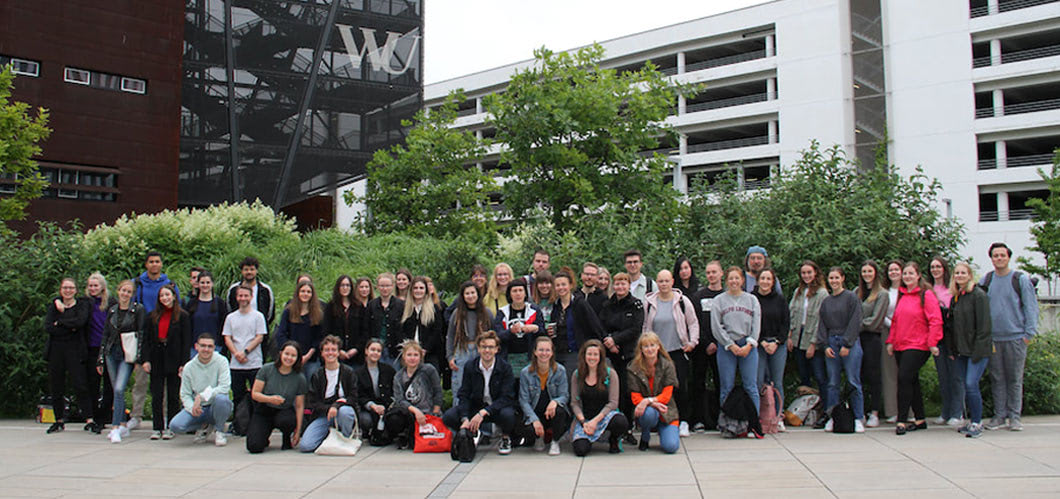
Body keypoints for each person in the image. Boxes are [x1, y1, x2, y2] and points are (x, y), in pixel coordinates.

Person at [981, 242, 1039, 432]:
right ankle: (999, 415)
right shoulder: (987, 280)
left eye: (1002, 255)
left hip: (1016, 337)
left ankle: (1014, 416)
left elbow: (1030, 307)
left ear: (1008, 257)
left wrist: (1028, 334)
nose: (999, 258)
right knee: (997, 378)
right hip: (994, 339)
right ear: (991, 258)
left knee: (1014, 378)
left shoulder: (1019, 279)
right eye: (995, 255)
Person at [887, 262, 943, 435]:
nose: (907, 277)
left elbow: (935, 320)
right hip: (900, 345)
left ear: (918, 275)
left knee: (904, 378)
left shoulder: (926, 295)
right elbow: (895, 321)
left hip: (918, 345)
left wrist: (933, 342)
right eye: (905, 274)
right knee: (911, 380)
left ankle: (902, 420)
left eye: (911, 273)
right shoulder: (902, 295)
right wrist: (891, 341)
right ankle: (920, 419)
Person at [642, 269, 699, 437]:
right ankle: (660, 421)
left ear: (672, 282)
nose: (664, 284)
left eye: (666, 281)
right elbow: (645, 326)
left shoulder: (682, 301)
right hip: (656, 353)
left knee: (680, 387)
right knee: (657, 388)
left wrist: (692, 342)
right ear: (657, 283)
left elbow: (693, 323)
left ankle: (683, 421)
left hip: (678, 351)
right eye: (660, 281)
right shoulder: (649, 302)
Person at [128, 251, 180, 431]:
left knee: (165, 386)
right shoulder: (138, 284)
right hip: (145, 335)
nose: (154, 265)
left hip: (165, 337)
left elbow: (177, 310)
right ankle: (136, 415)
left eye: (157, 261)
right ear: (146, 264)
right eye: (151, 262)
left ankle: (166, 417)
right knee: (141, 381)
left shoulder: (169, 284)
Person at [443, 331, 518, 455]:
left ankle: (505, 438)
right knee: (449, 416)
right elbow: (464, 394)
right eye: (484, 347)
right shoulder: (470, 366)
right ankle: (468, 434)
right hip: (476, 405)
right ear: (478, 349)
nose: (487, 350)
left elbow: (507, 397)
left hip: (495, 408)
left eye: (491, 347)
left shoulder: (505, 367)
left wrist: (483, 413)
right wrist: (465, 418)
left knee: (509, 415)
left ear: (497, 349)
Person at [816, 267, 865, 433]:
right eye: (831, 278)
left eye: (837, 277)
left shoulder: (851, 298)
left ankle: (858, 417)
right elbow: (822, 325)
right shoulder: (826, 301)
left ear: (842, 278)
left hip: (848, 341)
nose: (834, 281)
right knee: (832, 383)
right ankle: (832, 416)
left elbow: (856, 321)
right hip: (831, 342)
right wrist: (825, 346)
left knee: (853, 380)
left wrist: (847, 344)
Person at [946, 262, 992, 438]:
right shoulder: (956, 297)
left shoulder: (978, 295)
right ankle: (970, 421)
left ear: (970, 275)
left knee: (972, 384)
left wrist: (978, 352)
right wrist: (952, 349)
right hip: (961, 351)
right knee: (966, 385)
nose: (959, 276)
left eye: (963, 273)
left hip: (976, 351)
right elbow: (951, 326)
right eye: (957, 273)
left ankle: (977, 422)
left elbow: (984, 327)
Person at [96, 279, 145, 443]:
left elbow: (141, 334)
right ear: (118, 292)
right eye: (123, 291)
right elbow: (105, 335)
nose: (125, 294)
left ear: (132, 295)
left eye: (129, 292)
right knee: (116, 389)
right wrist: (101, 358)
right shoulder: (112, 310)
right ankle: (123, 423)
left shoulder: (137, 310)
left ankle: (115, 427)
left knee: (119, 388)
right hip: (111, 352)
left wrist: (139, 358)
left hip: (127, 353)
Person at [599, 272, 643, 444]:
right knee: (610, 392)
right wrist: (610, 342)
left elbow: (635, 329)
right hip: (610, 355)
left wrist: (616, 340)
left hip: (628, 354)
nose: (620, 287)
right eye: (617, 284)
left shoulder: (636, 305)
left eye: (623, 284)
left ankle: (628, 428)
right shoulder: (607, 305)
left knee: (627, 391)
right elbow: (601, 326)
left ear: (628, 286)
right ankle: (611, 428)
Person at [44, 278, 92, 434]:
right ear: (60, 290)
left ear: (76, 290)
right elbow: (49, 327)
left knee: (80, 384)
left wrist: (61, 323)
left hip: (75, 349)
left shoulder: (82, 305)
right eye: (65, 287)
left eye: (71, 287)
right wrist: (68, 326)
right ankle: (58, 420)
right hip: (56, 350)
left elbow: (80, 322)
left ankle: (89, 418)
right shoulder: (54, 306)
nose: (68, 290)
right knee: (56, 385)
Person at [144, 284, 191, 440]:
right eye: (162, 296)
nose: (165, 298)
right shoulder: (152, 316)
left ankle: (171, 427)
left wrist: (184, 363)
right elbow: (146, 340)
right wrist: (145, 360)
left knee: (173, 394)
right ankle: (157, 427)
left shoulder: (182, 316)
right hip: (156, 356)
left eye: (167, 295)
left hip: (174, 357)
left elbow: (186, 341)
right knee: (157, 394)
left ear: (173, 296)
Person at [712, 266, 761, 414]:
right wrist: (729, 344)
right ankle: (727, 422)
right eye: (731, 278)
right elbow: (716, 325)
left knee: (751, 386)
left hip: (747, 345)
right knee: (726, 386)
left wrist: (750, 343)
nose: (734, 281)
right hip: (727, 346)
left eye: (737, 278)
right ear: (726, 281)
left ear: (742, 280)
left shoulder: (752, 300)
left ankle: (754, 423)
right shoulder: (719, 300)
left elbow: (756, 324)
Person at [168, 334, 232, 446]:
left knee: (222, 399)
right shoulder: (189, 367)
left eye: (210, 346)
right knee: (175, 426)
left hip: (215, 406)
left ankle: (219, 430)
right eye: (203, 346)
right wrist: (192, 407)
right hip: (199, 407)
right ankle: (204, 426)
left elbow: (224, 387)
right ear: (196, 347)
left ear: (214, 348)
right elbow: (185, 394)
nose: (206, 349)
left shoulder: (222, 361)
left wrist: (202, 396)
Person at [300, 335, 359, 452]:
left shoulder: (348, 372)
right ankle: (327, 435)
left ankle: (345, 438)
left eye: (333, 350)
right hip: (324, 414)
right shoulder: (317, 375)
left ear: (338, 353)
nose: (330, 353)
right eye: (327, 350)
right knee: (306, 446)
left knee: (345, 412)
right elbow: (313, 402)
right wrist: (329, 409)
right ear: (322, 353)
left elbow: (353, 397)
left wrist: (336, 406)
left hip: (343, 410)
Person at [247, 341, 307, 453]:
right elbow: (255, 394)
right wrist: (270, 399)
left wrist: (298, 432)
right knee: (254, 446)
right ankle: (264, 437)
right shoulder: (266, 369)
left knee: (287, 420)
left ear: (298, 358)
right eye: (286, 354)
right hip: (264, 409)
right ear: (280, 354)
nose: (289, 358)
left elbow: (299, 406)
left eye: (293, 355)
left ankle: (286, 437)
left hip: (284, 411)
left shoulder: (300, 378)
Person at [570, 339, 628, 455]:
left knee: (621, 422)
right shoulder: (577, 375)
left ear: (601, 356)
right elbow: (574, 403)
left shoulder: (610, 374)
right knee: (581, 450)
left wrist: (595, 421)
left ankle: (613, 439)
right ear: (584, 356)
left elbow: (613, 403)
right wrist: (583, 422)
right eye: (589, 354)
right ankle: (588, 438)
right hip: (585, 419)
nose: (592, 357)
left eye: (595, 354)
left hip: (605, 416)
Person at [222, 284, 266, 434]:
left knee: (256, 397)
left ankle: (255, 425)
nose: (243, 298)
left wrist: (245, 352)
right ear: (236, 297)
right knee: (237, 396)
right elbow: (227, 337)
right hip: (236, 364)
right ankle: (238, 424)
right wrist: (236, 353)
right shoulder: (231, 317)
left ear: (251, 297)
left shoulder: (258, 316)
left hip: (254, 363)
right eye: (240, 296)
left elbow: (260, 337)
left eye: (246, 296)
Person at [628, 332, 681, 454]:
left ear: (658, 347)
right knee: (649, 414)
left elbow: (667, 396)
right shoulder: (633, 368)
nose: (650, 349)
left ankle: (667, 431)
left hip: (666, 411)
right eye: (646, 346)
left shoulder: (667, 365)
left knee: (671, 447)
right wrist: (651, 404)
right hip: (647, 411)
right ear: (641, 349)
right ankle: (645, 435)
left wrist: (648, 401)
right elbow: (635, 397)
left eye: (652, 345)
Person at [517, 336, 570, 455]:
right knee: (527, 428)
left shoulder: (560, 370)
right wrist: (534, 420)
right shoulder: (526, 373)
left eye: (547, 350)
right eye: (541, 350)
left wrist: (555, 402)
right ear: (535, 352)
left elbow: (564, 395)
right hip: (536, 412)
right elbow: (524, 401)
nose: (544, 353)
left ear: (552, 352)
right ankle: (538, 438)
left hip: (552, 413)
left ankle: (555, 441)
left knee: (560, 411)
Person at [386, 340, 444, 448]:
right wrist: (415, 411)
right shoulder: (398, 377)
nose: (412, 358)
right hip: (410, 414)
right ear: (404, 356)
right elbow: (399, 400)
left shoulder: (429, 370)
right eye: (409, 355)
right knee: (393, 419)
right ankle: (405, 435)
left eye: (415, 355)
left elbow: (437, 391)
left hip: (428, 412)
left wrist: (435, 411)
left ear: (420, 356)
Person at [690, 260, 725, 432]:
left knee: (722, 383)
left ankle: (721, 417)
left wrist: (719, 342)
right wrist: (707, 343)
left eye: (714, 272)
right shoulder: (698, 296)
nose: (711, 275)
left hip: (723, 347)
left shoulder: (727, 295)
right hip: (702, 347)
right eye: (708, 272)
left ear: (721, 274)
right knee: (698, 383)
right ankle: (698, 419)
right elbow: (695, 322)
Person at [447, 280, 493, 406]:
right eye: (467, 293)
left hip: (482, 350)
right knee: (460, 384)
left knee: (482, 383)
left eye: (473, 292)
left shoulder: (486, 313)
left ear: (478, 294)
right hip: (462, 349)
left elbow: (493, 333)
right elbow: (450, 336)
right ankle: (459, 413)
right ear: (462, 296)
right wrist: (450, 356)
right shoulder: (457, 314)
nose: (470, 296)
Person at [752, 268, 789, 425]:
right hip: (759, 344)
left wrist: (777, 342)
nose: (765, 282)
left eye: (769, 279)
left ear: (773, 282)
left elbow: (786, 323)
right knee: (758, 381)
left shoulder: (780, 300)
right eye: (763, 278)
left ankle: (778, 416)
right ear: (758, 280)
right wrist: (761, 341)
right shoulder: (752, 299)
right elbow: (751, 323)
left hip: (778, 345)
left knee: (777, 381)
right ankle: (762, 416)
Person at [929, 256, 962, 427]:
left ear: (944, 269)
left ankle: (958, 412)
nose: (935, 270)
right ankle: (946, 411)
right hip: (937, 338)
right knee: (943, 377)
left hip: (953, 338)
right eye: (933, 267)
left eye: (938, 267)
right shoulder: (929, 289)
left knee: (956, 376)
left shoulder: (953, 287)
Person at [550, 271, 605, 373]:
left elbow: (595, 327)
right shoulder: (556, 306)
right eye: (557, 285)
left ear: (570, 285)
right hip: (558, 353)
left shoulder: (579, 304)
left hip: (575, 352)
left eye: (563, 284)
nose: (561, 288)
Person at [788, 260, 828, 395]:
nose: (806, 275)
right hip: (798, 337)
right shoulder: (798, 291)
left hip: (813, 338)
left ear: (815, 273)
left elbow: (820, 319)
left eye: (809, 272)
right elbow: (791, 313)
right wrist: (789, 336)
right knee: (803, 375)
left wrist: (813, 343)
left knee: (819, 376)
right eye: (803, 273)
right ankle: (806, 410)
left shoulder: (822, 293)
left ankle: (827, 409)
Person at [857, 260, 890, 428]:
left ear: (875, 273)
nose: (867, 274)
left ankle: (875, 412)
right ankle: (861, 411)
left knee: (874, 376)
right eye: (864, 271)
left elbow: (875, 320)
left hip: (872, 339)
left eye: (870, 271)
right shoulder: (857, 292)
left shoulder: (882, 294)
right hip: (857, 340)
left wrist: (856, 325)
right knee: (859, 376)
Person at [275, 281, 325, 381]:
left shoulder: (318, 313)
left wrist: (308, 355)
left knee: (312, 385)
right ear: (298, 293)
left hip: (311, 358)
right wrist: (291, 354)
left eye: (308, 292)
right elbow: (281, 334)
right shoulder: (288, 311)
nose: (305, 294)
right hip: (291, 358)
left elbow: (319, 337)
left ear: (312, 294)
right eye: (302, 291)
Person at [494, 277, 544, 375]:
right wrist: (510, 331)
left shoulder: (534, 310)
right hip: (509, 356)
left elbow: (543, 332)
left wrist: (535, 328)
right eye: (514, 291)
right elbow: (497, 335)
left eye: (521, 290)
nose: (518, 294)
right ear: (510, 294)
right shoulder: (502, 312)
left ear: (525, 293)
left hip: (529, 355)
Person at [85, 273, 116, 429]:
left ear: (102, 287)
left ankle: (104, 415)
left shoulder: (111, 303)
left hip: (108, 347)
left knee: (109, 383)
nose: (93, 288)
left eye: (96, 285)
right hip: (91, 347)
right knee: (93, 383)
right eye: (90, 285)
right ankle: (94, 416)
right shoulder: (85, 303)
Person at [398, 277, 447, 374]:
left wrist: (425, 349)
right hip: (408, 353)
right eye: (415, 288)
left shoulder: (434, 308)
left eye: (421, 288)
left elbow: (437, 331)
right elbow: (399, 329)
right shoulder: (403, 308)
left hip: (429, 354)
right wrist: (407, 346)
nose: (418, 291)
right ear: (411, 290)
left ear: (426, 291)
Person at [353, 339, 396, 440]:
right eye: (372, 349)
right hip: (368, 408)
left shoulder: (388, 370)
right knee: (366, 420)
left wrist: (386, 406)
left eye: (378, 351)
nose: (375, 353)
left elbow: (394, 391)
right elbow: (358, 395)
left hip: (386, 407)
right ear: (366, 351)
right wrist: (372, 406)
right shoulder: (358, 373)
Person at [324, 275, 367, 368]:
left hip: (356, 356)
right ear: (337, 288)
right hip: (336, 355)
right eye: (342, 285)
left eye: (348, 285)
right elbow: (326, 331)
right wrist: (338, 350)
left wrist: (356, 349)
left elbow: (365, 331)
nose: (345, 288)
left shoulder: (359, 306)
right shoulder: (331, 307)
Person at [881, 259, 905, 423]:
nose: (894, 273)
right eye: (891, 270)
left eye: (896, 269)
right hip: (888, 333)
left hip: (908, 335)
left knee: (906, 373)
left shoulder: (909, 291)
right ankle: (892, 410)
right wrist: (893, 326)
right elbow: (881, 313)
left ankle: (907, 411)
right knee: (889, 372)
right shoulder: (885, 292)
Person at [225, 256, 275, 330]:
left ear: (256, 271)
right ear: (242, 271)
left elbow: (270, 312)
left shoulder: (265, 290)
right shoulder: (233, 289)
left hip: (259, 331)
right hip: (237, 329)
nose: (249, 272)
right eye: (246, 269)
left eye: (252, 269)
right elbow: (229, 308)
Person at [186, 271, 228, 356]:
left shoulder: (220, 304)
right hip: (195, 349)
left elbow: (224, 326)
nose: (205, 285)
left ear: (212, 284)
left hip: (216, 347)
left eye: (208, 282)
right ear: (198, 284)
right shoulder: (191, 304)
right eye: (202, 282)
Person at [368, 272, 404, 365]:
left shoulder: (401, 305)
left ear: (393, 286)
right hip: (376, 350)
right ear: (377, 287)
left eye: (387, 286)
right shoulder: (371, 305)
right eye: (382, 286)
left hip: (394, 351)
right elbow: (366, 328)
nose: (385, 289)